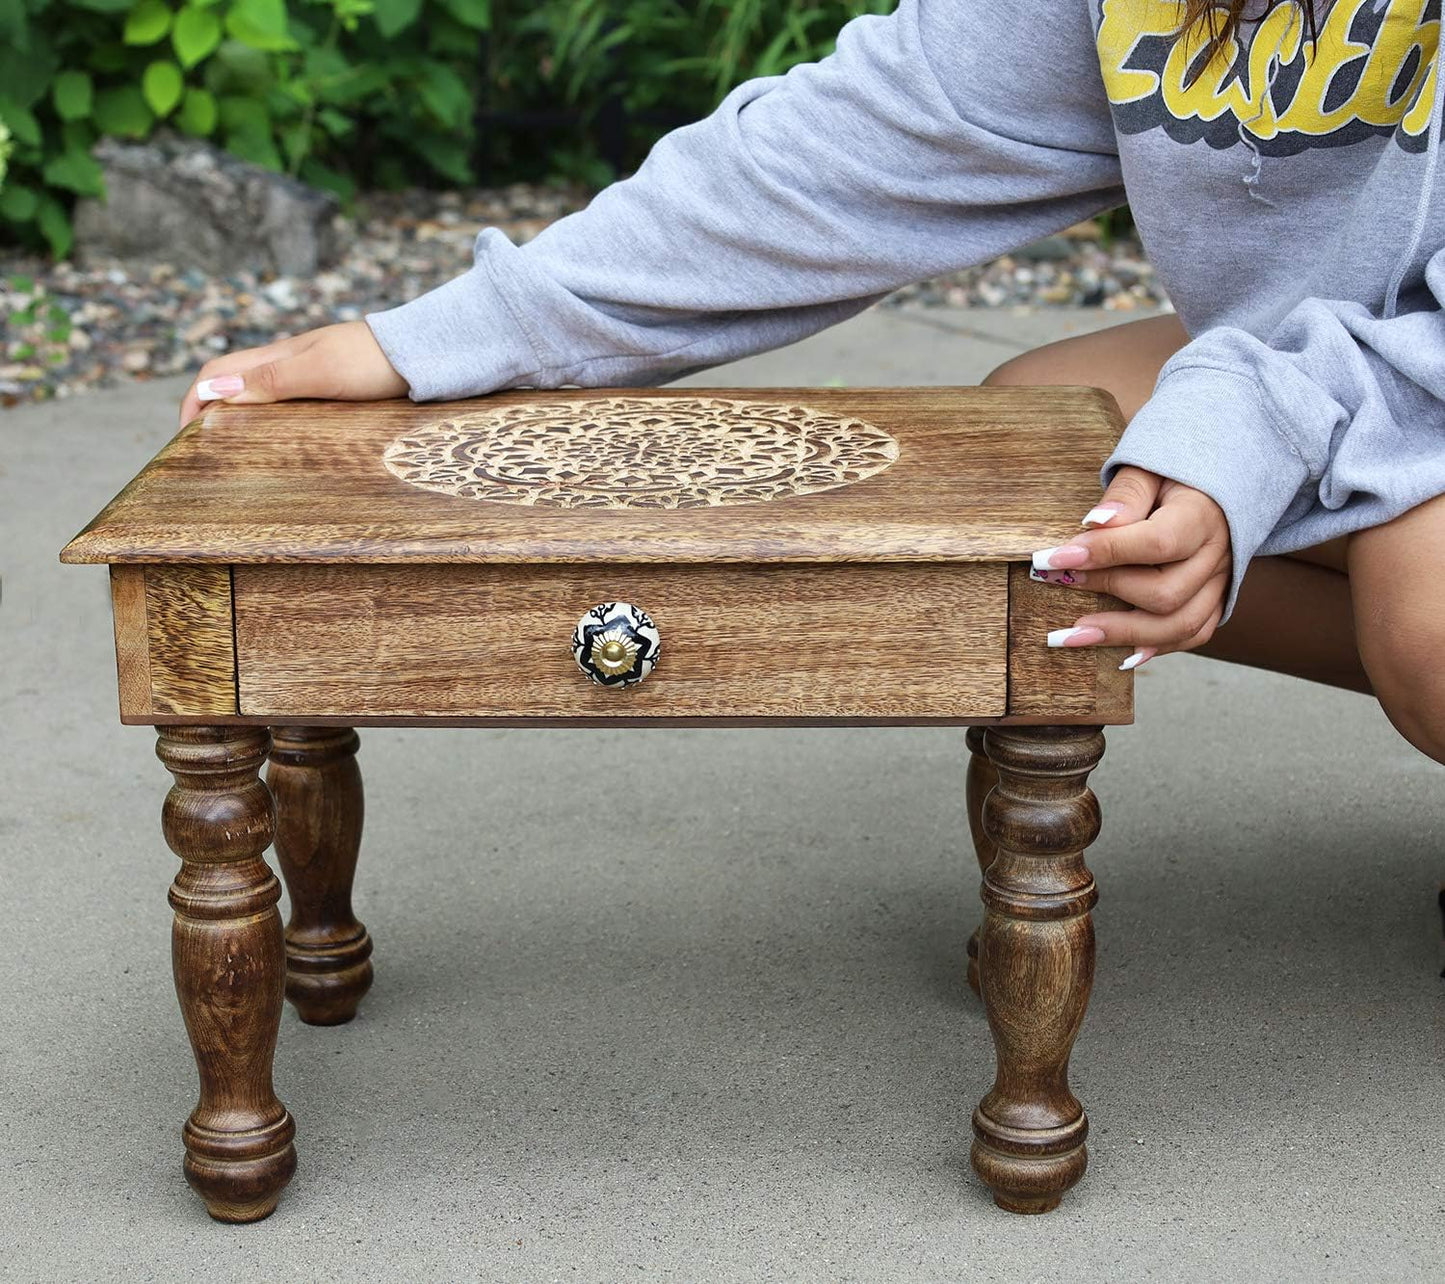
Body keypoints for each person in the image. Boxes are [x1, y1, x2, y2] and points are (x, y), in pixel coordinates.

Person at [177, 0, 1445, 764]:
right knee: (1048, 462)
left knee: (1422, 618)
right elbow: (857, 148)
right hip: (1352, 361)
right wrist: (441, 339)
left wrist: (1260, 423)